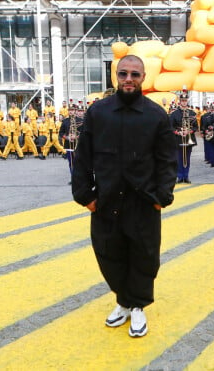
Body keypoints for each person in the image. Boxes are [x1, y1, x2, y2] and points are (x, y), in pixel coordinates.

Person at [72, 55, 177, 338]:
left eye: (134, 74)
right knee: (109, 253)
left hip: (143, 201)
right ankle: (123, 301)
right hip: (106, 201)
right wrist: (85, 196)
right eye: (123, 74)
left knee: (144, 256)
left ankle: (138, 306)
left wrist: (161, 196)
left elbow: (167, 160)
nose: (128, 79)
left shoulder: (156, 115)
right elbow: (83, 157)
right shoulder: (98, 112)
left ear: (143, 78)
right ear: (115, 77)